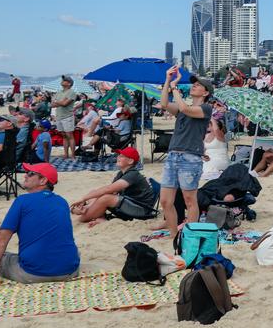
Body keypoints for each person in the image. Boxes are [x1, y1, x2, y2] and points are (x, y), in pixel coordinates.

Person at [0, 163, 80, 284]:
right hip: (70, 271)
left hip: (33, 273)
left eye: (30, 174)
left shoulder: (22, 201)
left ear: (43, 180)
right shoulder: (62, 201)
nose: (25, 176)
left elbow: (1, 239)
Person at [157, 70, 214, 240]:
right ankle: (175, 236)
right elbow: (164, 103)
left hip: (190, 158)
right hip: (173, 156)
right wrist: (168, 80)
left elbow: (184, 107)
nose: (194, 85)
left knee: (190, 200)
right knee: (166, 201)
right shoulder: (184, 109)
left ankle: (190, 235)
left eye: (198, 85)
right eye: (194, 84)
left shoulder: (206, 108)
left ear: (206, 93)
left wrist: (175, 88)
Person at [69, 147, 155, 225]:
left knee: (105, 198)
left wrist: (83, 199)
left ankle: (79, 221)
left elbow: (108, 189)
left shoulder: (133, 174)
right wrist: (86, 207)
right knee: (94, 193)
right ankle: (96, 215)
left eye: (122, 156)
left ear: (130, 161)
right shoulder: (121, 173)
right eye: (119, 155)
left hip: (142, 210)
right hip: (131, 203)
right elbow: (111, 191)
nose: (118, 157)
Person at [52, 76, 78, 159]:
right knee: (64, 136)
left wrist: (58, 102)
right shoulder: (59, 92)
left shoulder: (71, 92)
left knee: (69, 135)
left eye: (64, 80)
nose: (62, 81)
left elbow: (64, 104)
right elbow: (52, 104)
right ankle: (66, 154)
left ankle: (73, 155)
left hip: (67, 116)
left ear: (69, 83)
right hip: (59, 116)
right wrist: (61, 102)